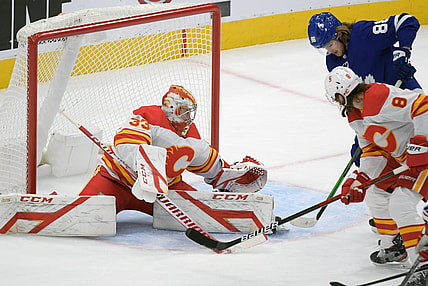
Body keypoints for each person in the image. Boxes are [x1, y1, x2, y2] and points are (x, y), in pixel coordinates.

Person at [309, 11, 424, 256]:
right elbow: (370, 148)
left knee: (410, 169)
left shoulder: (364, 34)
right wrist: (360, 179)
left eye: (330, 44)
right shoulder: (335, 65)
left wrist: (402, 50)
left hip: (402, 110)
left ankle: (405, 212)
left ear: (339, 33)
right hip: (373, 115)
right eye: (324, 49)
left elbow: (406, 21)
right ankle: (395, 227)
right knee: (365, 157)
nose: (330, 51)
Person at [79, 84, 267, 216]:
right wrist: (152, 163)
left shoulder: (190, 134)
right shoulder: (148, 115)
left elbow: (204, 160)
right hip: (115, 180)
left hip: (164, 191)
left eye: (189, 111)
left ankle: (237, 212)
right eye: (184, 110)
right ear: (171, 107)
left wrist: (227, 175)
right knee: (83, 212)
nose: (188, 116)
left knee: (203, 210)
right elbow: (127, 146)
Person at [324, 66, 428, 285]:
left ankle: (422, 263)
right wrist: (361, 179)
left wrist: (422, 143)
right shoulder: (355, 115)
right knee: (376, 194)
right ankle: (394, 245)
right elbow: (373, 149)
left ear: (341, 93)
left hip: (422, 156)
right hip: (406, 158)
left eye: (336, 97)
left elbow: (423, 105)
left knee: (401, 202)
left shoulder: (378, 97)